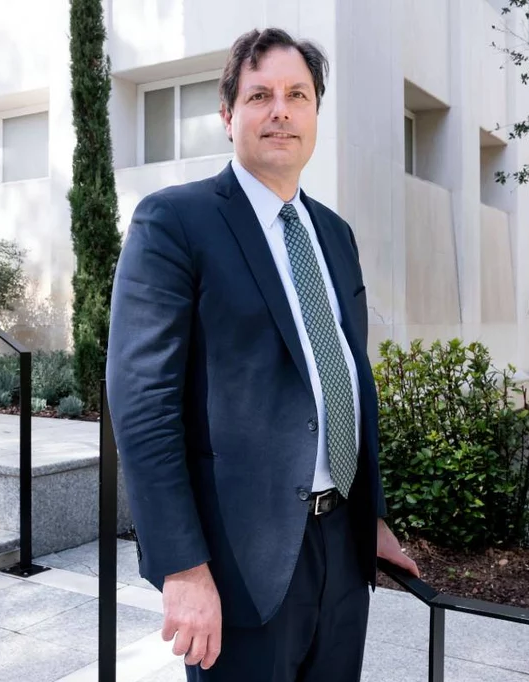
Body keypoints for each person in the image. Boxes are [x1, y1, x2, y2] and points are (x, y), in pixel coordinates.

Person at [106, 26, 419, 682]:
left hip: (341, 552)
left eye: (297, 95)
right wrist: (182, 568)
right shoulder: (175, 223)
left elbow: (348, 380)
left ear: (314, 115)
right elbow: (143, 405)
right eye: (260, 95)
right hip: (239, 565)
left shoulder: (334, 234)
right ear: (228, 117)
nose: (281, 109)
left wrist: (373, 519)